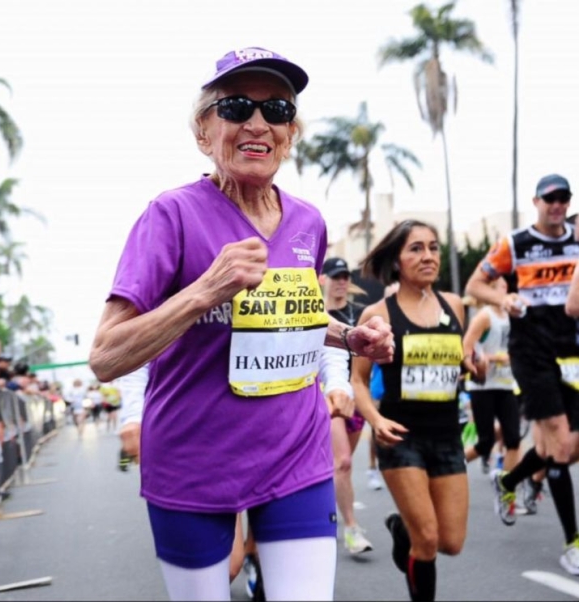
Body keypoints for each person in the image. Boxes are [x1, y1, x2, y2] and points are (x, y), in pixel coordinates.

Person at [89, 46, 393, 601]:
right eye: (235, 107)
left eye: (276, 110)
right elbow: (106, 356)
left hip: (296, 452)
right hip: (194, 459)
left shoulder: (308, 221)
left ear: (290, 133)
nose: (257, 123)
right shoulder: (170, 215)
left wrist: (349, 336)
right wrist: (208, 286)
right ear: (204, 132)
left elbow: (286, 311)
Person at [467, 173, 579, 575]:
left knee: (563, 448)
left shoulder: (576, 241)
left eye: (563, 198)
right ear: (536, 201)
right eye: (550, 198)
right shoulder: (516, 244)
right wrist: (504, 296)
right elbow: (476, 283)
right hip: (531, 353)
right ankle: (573, 544)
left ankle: (509, 481)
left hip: (572, 352)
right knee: (560, 445)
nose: (557, 205)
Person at [351, 219, 467, 602]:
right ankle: (415, 540)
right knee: (429, 542)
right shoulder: (377, 314)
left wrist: (472, 363)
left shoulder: (455, 306)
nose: (428, 256)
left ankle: (402, 530)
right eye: (416, 248)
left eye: (433, 247)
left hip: (448, 436)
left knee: (451, 543)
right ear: (397, 260)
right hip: (401, 437)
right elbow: (358, 381)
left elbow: (455, 361)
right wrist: (375, 418)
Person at [320, 256, 374, 556]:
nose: (342, 281)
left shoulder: (358, 314)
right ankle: (352, 528)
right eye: (336, 276)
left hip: (355, 395)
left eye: (345, 276)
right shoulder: (314, 312)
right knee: (343, 462)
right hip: (322, 393)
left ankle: (318, 505)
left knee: (337, 467)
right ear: (321, 279)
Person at [462, 278, 521, 476]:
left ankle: (506, 491)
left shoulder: (509, 314)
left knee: (513, 439)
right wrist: (489, 358)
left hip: (505, 384)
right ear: (490, 291)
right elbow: (466, 348)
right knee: (485, 442)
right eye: (502, 287)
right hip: (484, 385)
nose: (506, 290)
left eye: (506, 286)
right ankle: (453, 467)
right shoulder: (484, 317)